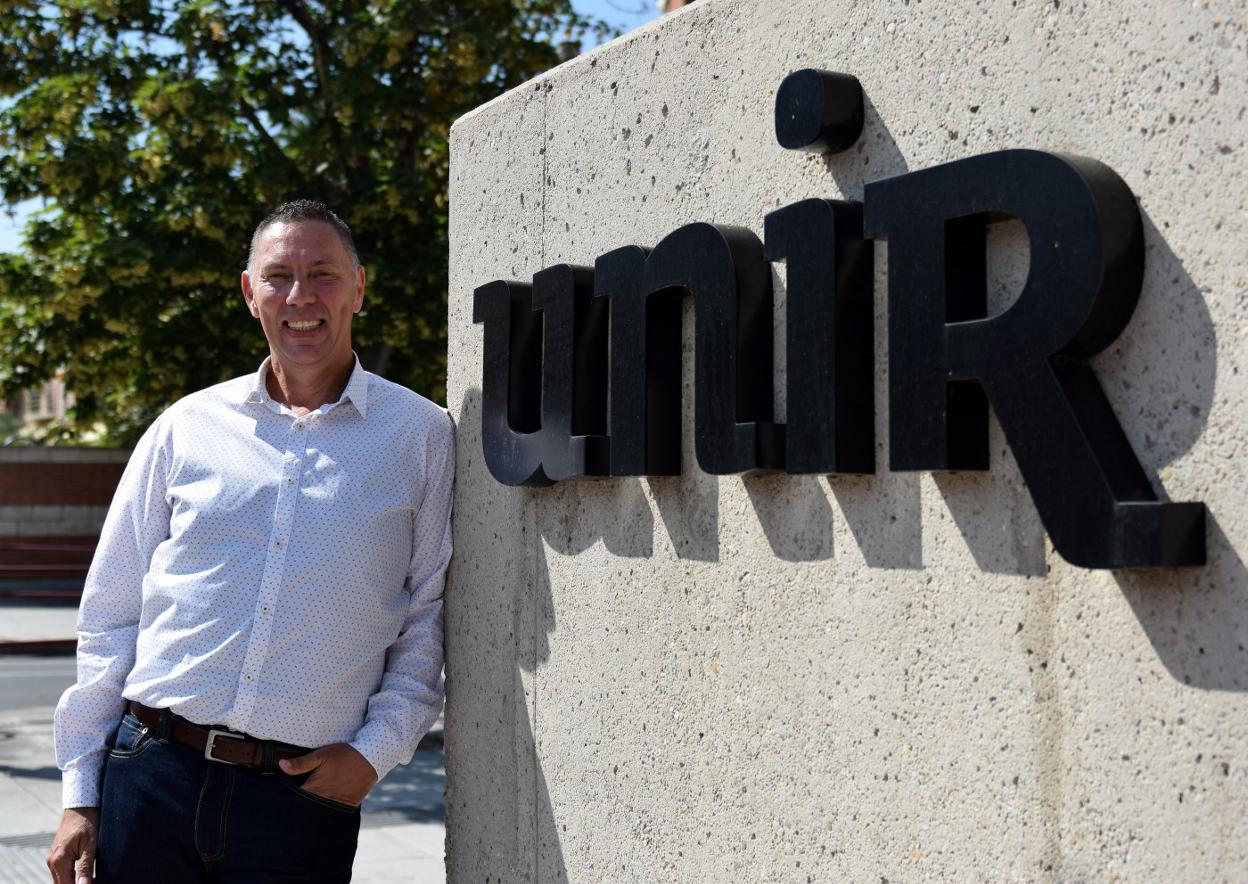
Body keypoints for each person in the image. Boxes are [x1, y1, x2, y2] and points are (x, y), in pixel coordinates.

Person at [46, 200, 455, 883]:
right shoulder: (186, 427)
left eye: (323, 274)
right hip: (150, 776)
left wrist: (373, 754)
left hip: (299, 802)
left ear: (359, 286)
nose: (301, 296)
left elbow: (428, 616)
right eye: (279, 275)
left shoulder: (421, 435)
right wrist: (80, 792)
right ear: (249, 292)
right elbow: (111, 611)